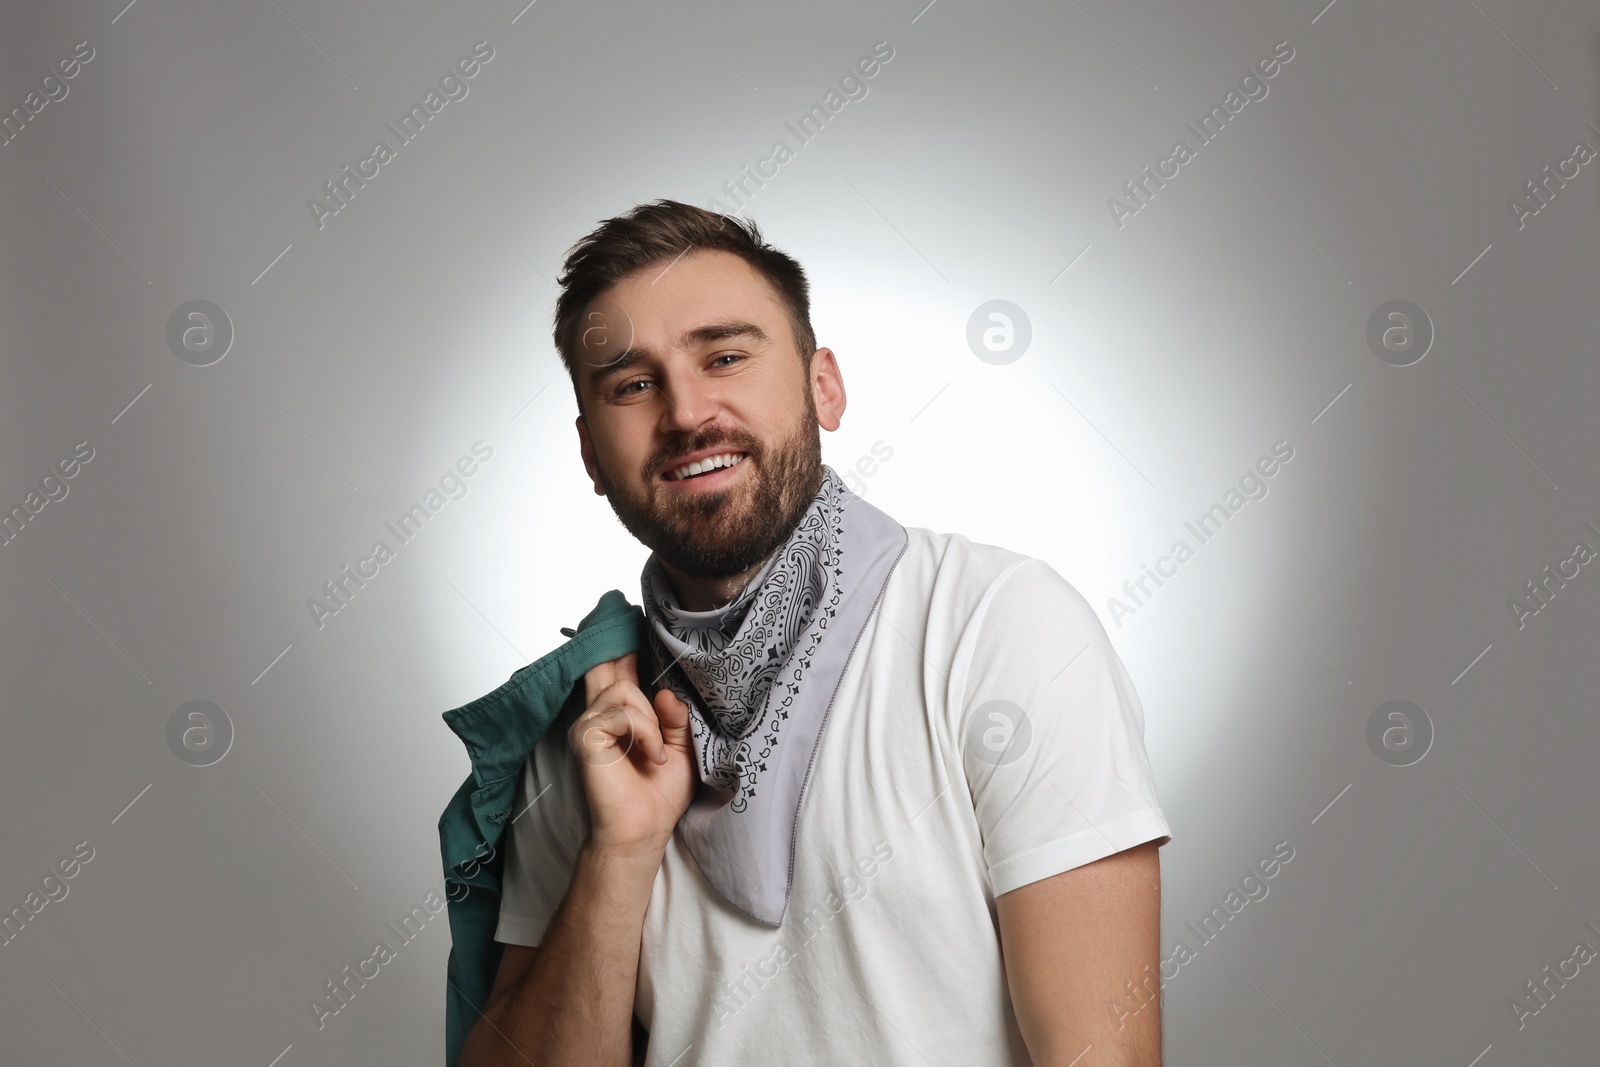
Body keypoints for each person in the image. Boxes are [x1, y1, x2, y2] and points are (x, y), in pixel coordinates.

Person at [458, 199, 1172, 1066]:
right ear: (590, 457)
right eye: (634, 384)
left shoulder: (997, 626)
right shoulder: (592, 727)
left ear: (822, 386)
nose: (686, 412)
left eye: (725, 356)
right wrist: (619, 850)